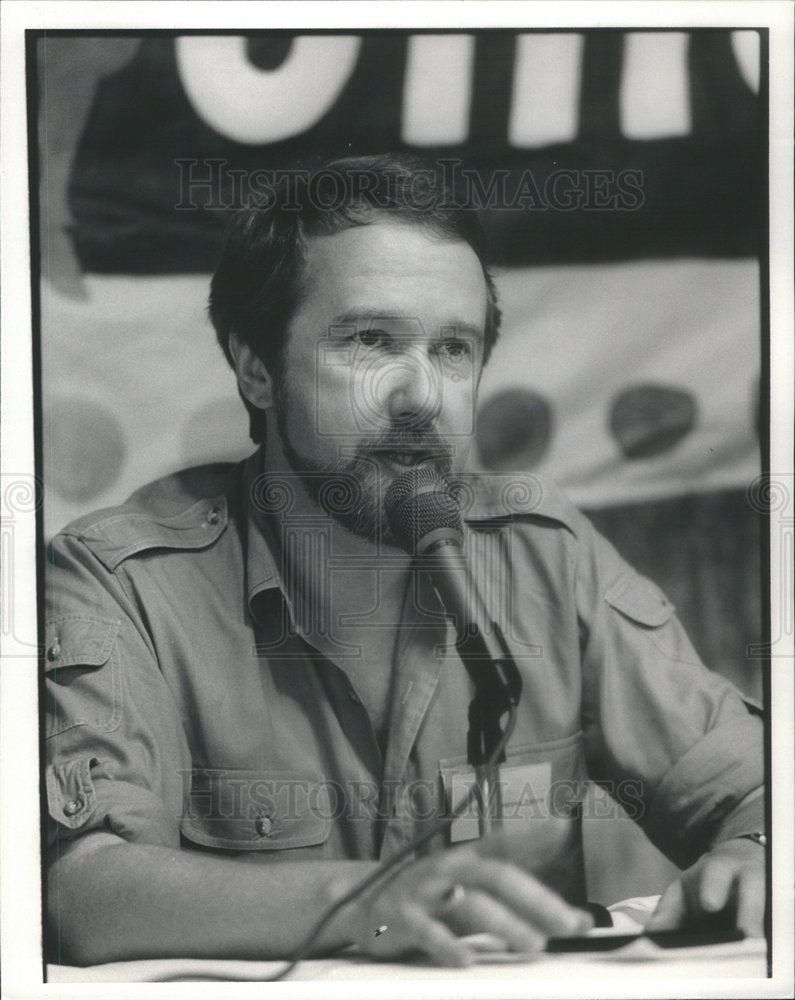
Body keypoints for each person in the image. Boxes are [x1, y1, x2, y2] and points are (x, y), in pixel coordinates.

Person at [44, 154, 765, 968]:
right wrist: (373, 904)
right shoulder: (118, 578)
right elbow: (83, 893)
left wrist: (758, 848)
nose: (419, 394)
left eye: (452, 350)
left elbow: (753, 789)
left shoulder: (543, 555)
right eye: (370, 340)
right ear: (256, 369)